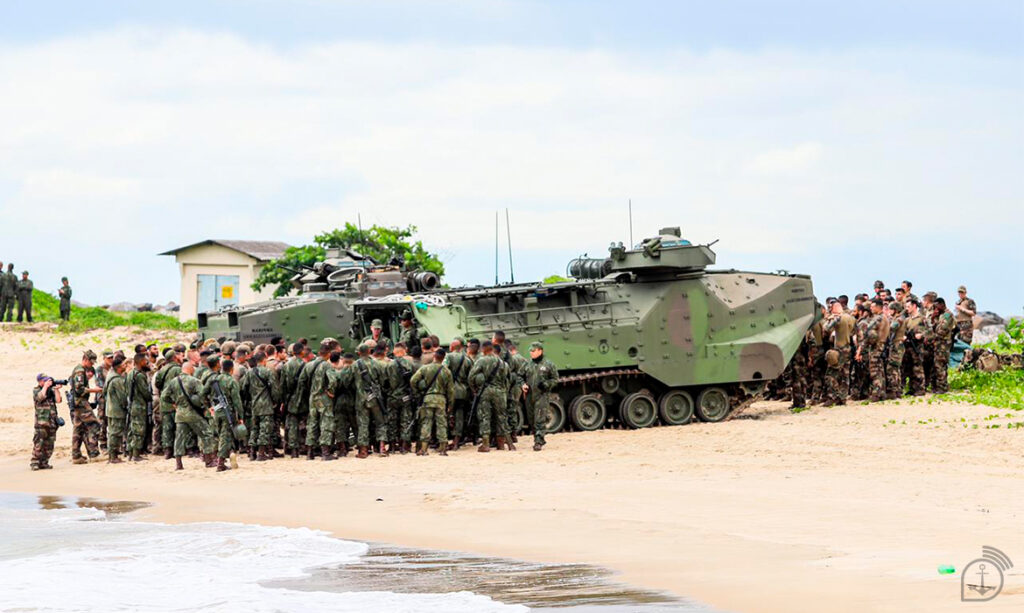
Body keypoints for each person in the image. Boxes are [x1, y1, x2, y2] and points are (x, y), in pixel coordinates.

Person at [169, 361, 216, 469]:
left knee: (179, 438)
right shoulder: (194, 381)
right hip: (193, 413)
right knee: (207, 434)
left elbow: (164, 396)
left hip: (180, 414)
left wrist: (174, 403)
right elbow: (203, 395)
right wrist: (206, 407)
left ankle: (179, 464)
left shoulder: (173, 382)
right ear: (190, 369)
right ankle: (209, 460)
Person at [468, 340, 511, 452]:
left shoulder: (481, 361)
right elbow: (508, 379)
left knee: (485, 417)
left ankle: (486, 445)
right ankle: (501, 444)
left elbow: (471, 377)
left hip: (485, 392)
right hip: (500, 392)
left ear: (483, 349)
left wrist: (475, 390)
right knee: (501, 417)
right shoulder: (502, 363)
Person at [410, 349, 453, 455]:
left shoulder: (425, 368)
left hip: (428, 399)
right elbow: (450, 390)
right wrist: (450, 404)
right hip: (441, 399)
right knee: (442, 423)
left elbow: (413, 381)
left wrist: (418, 393)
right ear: (443, 358)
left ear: (434, 356)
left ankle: (424, 449)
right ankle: (443, 449)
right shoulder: (446, 371)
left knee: (426, 422)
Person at [207, 358, 244, 472]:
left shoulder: (213, 379)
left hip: (217, 412)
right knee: (225, 437)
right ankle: (220, 463)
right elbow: (237, 401)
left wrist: (209, 406)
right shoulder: (231, 381)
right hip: (228, 413)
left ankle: (229, 453)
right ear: (232, 369)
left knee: (221, 436)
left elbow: (203, 393)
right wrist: (241, 416)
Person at [353, 343, 389, 458]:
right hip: (375, 397)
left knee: (363, 424)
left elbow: (346, 380)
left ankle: (363, 450)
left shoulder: (354, 365)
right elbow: (383, 380)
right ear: (369, 352)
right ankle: (382, 448)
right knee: (380, 422)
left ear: (359, 353)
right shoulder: (376, 363)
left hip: (361, 399)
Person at [245, 350, 281, 461]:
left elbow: (244, 388)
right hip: (266, 405)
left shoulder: (249, 372)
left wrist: (250, 400)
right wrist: (276, 401)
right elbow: (274, 389)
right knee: (265, 429)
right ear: (264, 359)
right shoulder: (267, 372)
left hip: (254, 405)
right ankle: (261, 453)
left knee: (254, 429)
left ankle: (252, 453)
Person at [522, 342, 559, 451]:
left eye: (533, 351)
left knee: (539, 418)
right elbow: (519, 376)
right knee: (531, 419)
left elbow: (555, 379)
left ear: (540, 351)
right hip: (529, 396)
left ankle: (538, 441)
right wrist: (522, 384)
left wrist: (546, 384)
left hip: (542, 395)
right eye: (530, 351)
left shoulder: (548, 364)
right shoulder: (527, 364)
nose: (531, 353)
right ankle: (536, 437)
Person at [69, 350, 103, 464]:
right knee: (94, 424)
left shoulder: (79, 370)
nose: (92, 365)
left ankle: (76, 455)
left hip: (78, 403)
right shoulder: (79, 371)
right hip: (81, 402)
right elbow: (79, 389)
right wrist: (94, 390)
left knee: (78, 429)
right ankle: (94, 453)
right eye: (91, 362)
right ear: (86, 359)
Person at [305, 342, 337, 461]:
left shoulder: (309, 365)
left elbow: (303, 381)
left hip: (312, 398)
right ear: (329, 354)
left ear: (319, 353)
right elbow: (333, 381)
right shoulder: (327, 366)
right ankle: (325, 452)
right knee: (326, 423)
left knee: (312, 423)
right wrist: (330, 391)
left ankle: (310, 452)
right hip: (323, 397)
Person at [386, 342, 418, 453]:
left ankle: (392, 446)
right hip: (405, 396)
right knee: (406, 420)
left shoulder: (389, 365)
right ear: (404, 350)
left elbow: (386, 382)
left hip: (392, 396)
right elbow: (414, 380)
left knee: (392, 421)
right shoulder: (410, 364)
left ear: (395, 352)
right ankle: (405, 446)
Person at [442, 338, 473, 449]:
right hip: (463, 391)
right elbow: (471, 376)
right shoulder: (467, 359)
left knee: (447, 415)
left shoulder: (448, 357)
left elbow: (443, 370)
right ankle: (456, 441)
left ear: (452, 347)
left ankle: (444, 441)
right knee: (460, 416)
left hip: (451, 391)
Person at [154, 348, 182, 459]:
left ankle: (167, 451)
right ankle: (177, 450)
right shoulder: (177, 369)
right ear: (174, 358)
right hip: (175, 401)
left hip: (164, 401)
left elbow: (158, 384)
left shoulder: (161, 370)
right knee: (177, 426)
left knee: (166, 427)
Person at [31, 374, 63, 470]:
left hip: (52, 421)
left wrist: (56, 389)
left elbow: (58, 400)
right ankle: (35, 462)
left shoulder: (51, 391)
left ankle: (44, 462)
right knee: (39, 443)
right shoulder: (36, 390)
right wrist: (45, 386)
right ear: (40, 381)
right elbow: (40, 397)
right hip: (41, 422)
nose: (47, 382)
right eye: (44, 380)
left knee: (50, 443)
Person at [125, 353, 153, 461]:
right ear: (141, 362)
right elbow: (145, 392)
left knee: (132, 429)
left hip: (132, 404)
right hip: (139, 406)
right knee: (139, 430)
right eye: (145, 361)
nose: (147, 363)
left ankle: (131, 452)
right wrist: (150, 397)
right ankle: (136, 454)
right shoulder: (140, 375)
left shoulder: (131, 373)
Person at [104, 356, 128, 463]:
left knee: (112, 432)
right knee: (115, 433)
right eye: (123, 365)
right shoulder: (117, 379)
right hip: (117, 410)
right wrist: (126, 406)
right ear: (119, 367)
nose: (125, 366)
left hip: (110, 409)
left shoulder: (110, 376)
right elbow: (122, 397)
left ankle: (112, 455)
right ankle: (113, 456)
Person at [931, 298, 956, 393]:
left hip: (943, 343)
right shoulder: (940, 315)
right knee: (937, 364)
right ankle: (937, 386)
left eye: (937, 307)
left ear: (942, 305)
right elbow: (933, 327)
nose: (935, 309)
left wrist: (933, 337)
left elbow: (942, 330)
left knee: (940, 364)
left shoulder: (947, 315)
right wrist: (933, 318)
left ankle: (942, 387)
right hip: (938, 343)